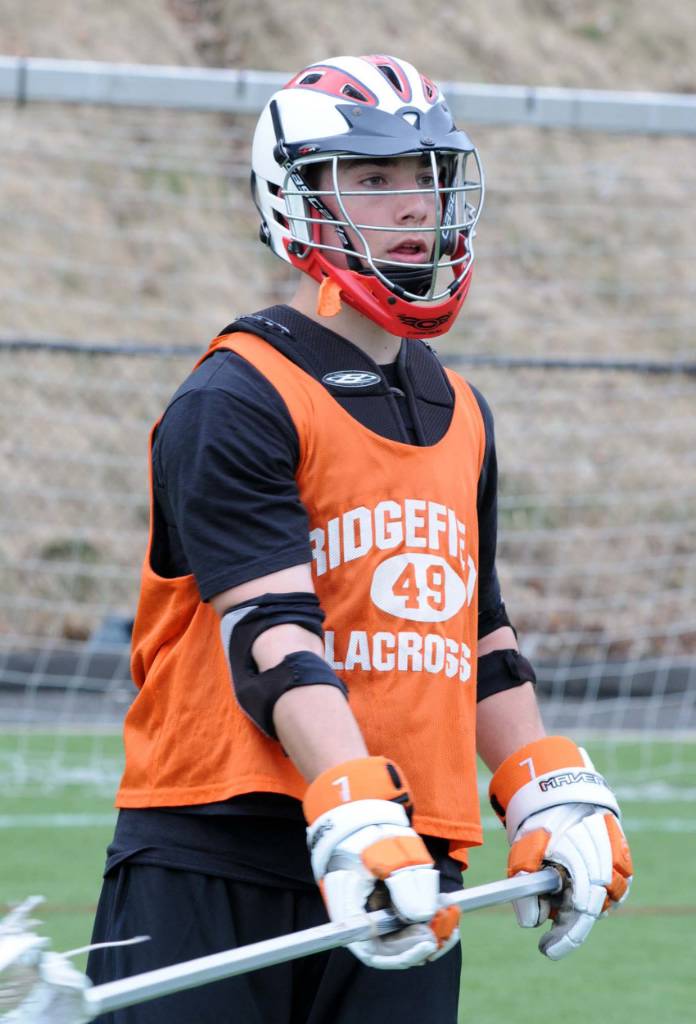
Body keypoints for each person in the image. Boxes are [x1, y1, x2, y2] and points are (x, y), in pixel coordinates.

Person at [87, 55, 633, 1023]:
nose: (413, 202)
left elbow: (477, 637)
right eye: (375, 179)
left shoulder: (462, 410)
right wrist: (351, 805)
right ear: (299, 201)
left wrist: (539, 782)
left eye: (423, 174)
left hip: (408, 860)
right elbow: (273, 638)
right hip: (222, 851)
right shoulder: (238, 393)